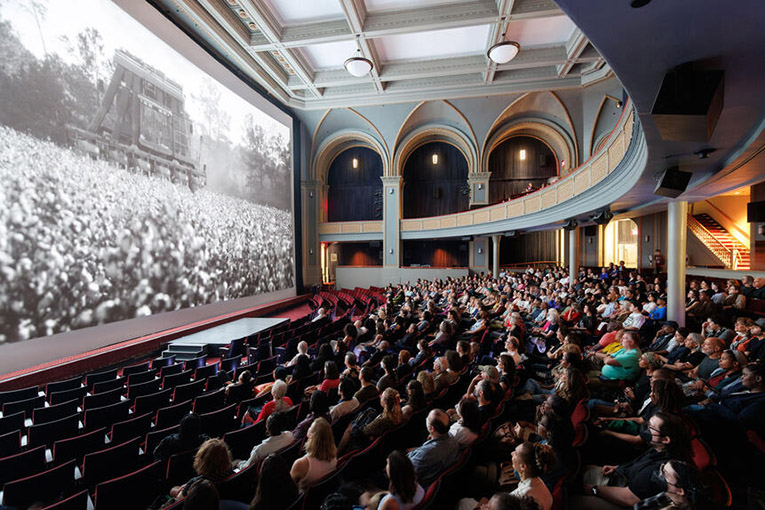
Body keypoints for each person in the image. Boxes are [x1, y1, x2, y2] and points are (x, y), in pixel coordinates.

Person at [407, 409, 460, 486]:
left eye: (428, 418)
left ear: (432, 429)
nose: (426, 419)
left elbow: (406, 472)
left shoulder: (426, 454)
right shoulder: (452, 438)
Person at [171, 439, 235, 499]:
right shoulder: (231, 473)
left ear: (202, 460)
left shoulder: (197, 483)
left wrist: (183, 488)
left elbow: (179, 499)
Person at [291, 417, 337, 489]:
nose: (308, 428)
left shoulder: (300, 464)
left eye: (310, 427)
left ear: (311, 435)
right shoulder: (334, 457)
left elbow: (289, 486)